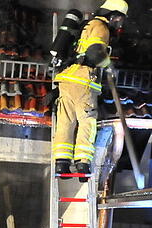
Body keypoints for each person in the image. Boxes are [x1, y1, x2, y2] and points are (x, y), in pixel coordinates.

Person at [52, 0, 128, 177]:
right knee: (87, 121)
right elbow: (95, 53)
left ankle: (61, 165)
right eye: (120, 19)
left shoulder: (87, 26)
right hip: (84, 81)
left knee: (66, 122)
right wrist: (109, 66)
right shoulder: (101, 27)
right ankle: (83, 164)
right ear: (114, 15)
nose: (119, 24)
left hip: (67, 78)